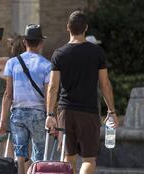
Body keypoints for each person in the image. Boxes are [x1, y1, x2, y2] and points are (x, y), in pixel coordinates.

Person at [45, 10, 118, 174]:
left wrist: (50, 114)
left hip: (65, 111)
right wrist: (111, 111)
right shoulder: (96, 52)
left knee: (68, 157)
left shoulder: (59, 54)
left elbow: (53, 87)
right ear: (86, 28)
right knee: (89, 159)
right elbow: (105, 83)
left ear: (67, 27)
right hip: (89, 112)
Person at [0, 24, 51, 174]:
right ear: (41, 43)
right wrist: (51, 116)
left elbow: (8, 94)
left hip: (18, 113)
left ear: (25, 42)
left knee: (20, 153)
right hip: (38, 113)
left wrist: (2, 121)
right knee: (39, 153)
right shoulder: (47, 65)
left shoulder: (12, 63)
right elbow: (48, 95)